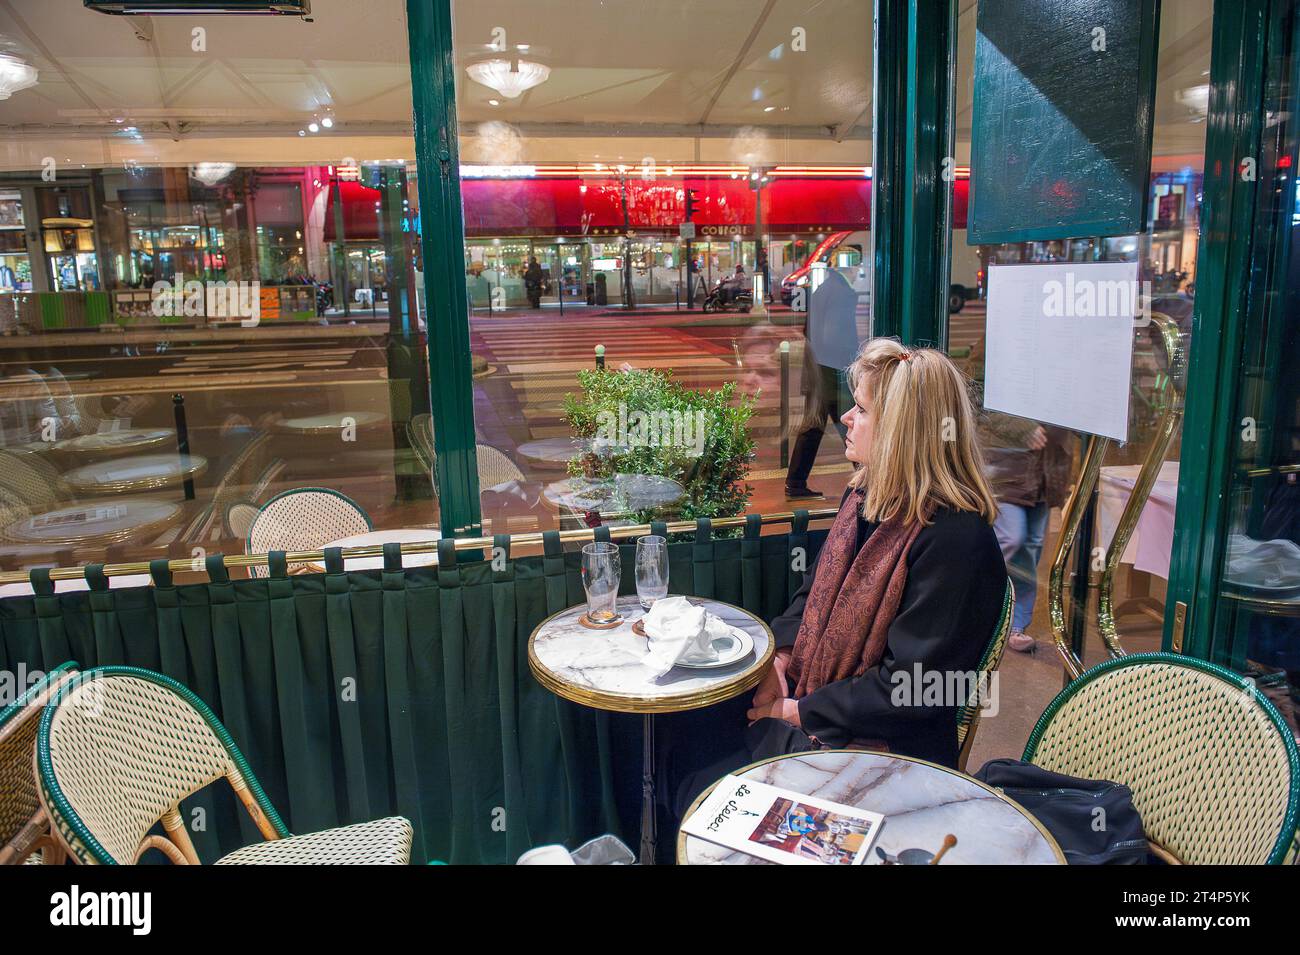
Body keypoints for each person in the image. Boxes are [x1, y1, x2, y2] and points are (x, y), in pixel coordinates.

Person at [670, 339, 1007, 814]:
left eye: (863, 409)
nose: (846, 417)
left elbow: (914, 689)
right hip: (824, 713)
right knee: (684, 745)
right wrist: (780, 660)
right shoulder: (867, 495)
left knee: (701, 783)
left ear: (902, 432)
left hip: (893, 763)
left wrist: (801, 711)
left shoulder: (957, 539)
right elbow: (812, 596)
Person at [980, 413, 1072, 652]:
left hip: (1045, 472)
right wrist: (1021, 428)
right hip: (1007, 469)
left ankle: (1016, 625)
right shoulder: (1012, 376)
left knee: (1030, 549)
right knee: (1011, 537)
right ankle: (975, 611)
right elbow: (981, 402)